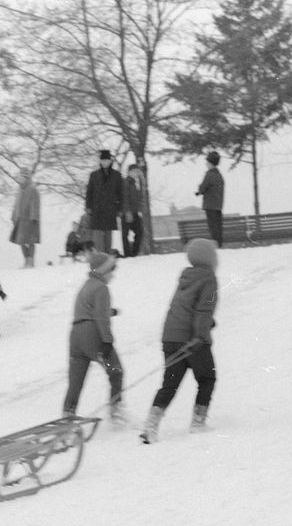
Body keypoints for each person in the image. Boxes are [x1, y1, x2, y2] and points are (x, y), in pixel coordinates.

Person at [140, 238, 219, 444]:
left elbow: (186, 308)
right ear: (209, 258)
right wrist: (201, 334)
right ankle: (197, 422)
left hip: (170, 337)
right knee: (207, 379)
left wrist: (207, 323)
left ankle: (150, 426)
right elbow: (203, 309)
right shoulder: (209, 279)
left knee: (170, 384)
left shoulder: (185, 277)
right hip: (192, 340)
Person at [62, 250, 126, 425]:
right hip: (93, 337)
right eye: (112, 269)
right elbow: (100, 318)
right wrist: (107, 341)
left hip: (76, 337)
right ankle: (116, 412)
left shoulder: (86, 285)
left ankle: (68, 413)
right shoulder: (102, 288)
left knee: (76, 380)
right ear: (104, 270)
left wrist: (110, 311)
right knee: (116, 371)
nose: (113, 273)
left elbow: (91, 309)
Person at [85, 149, 124, 254]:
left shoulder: (117, 175)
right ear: (100, 161)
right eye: (103, 160)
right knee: (98, 236)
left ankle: (106, 255)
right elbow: (89, 192)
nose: (105, 162)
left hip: (110, 209)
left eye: (107, 160)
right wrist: (88, 207)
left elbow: (120, 193)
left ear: (110, 161)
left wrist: (120, 208)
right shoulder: (94, 175)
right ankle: (100, 256)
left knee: (108, 235)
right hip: (97, 209)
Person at [10, 169, 41, 267]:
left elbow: (35, 204)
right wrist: (13, 215)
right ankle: (26, 260)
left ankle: (31, 262)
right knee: (21, 241)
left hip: (30, 219)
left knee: (31, 241)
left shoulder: (32, 189)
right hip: (20, 219)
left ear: (26, 178)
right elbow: (16, 204)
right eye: (19, 177)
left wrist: (34, 216)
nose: (20, 179)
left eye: (22, 177)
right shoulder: (19, 189)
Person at [195, 151, 225, 247]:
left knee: (212, 226)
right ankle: (219, 244)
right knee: (218, 226)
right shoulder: (219, 176)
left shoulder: (209, 174)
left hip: (210, 204)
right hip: (218, 205)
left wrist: (199, 191)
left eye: (207, 162)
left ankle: (215, 244)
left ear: (210, 163)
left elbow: (203, 188)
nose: (206, 164)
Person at [122, 163, 145, 257]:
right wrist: (127, 212)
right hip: (127, 212)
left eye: (137, 171)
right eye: (134, 171)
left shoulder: (137, 183)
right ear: (129, 172)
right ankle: (127, 254)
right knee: (125, 234)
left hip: (135, 212)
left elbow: (140, 198)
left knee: (139, 232)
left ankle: (134, 253)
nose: (136, 173)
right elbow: (125, 198)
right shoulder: (126, 182)